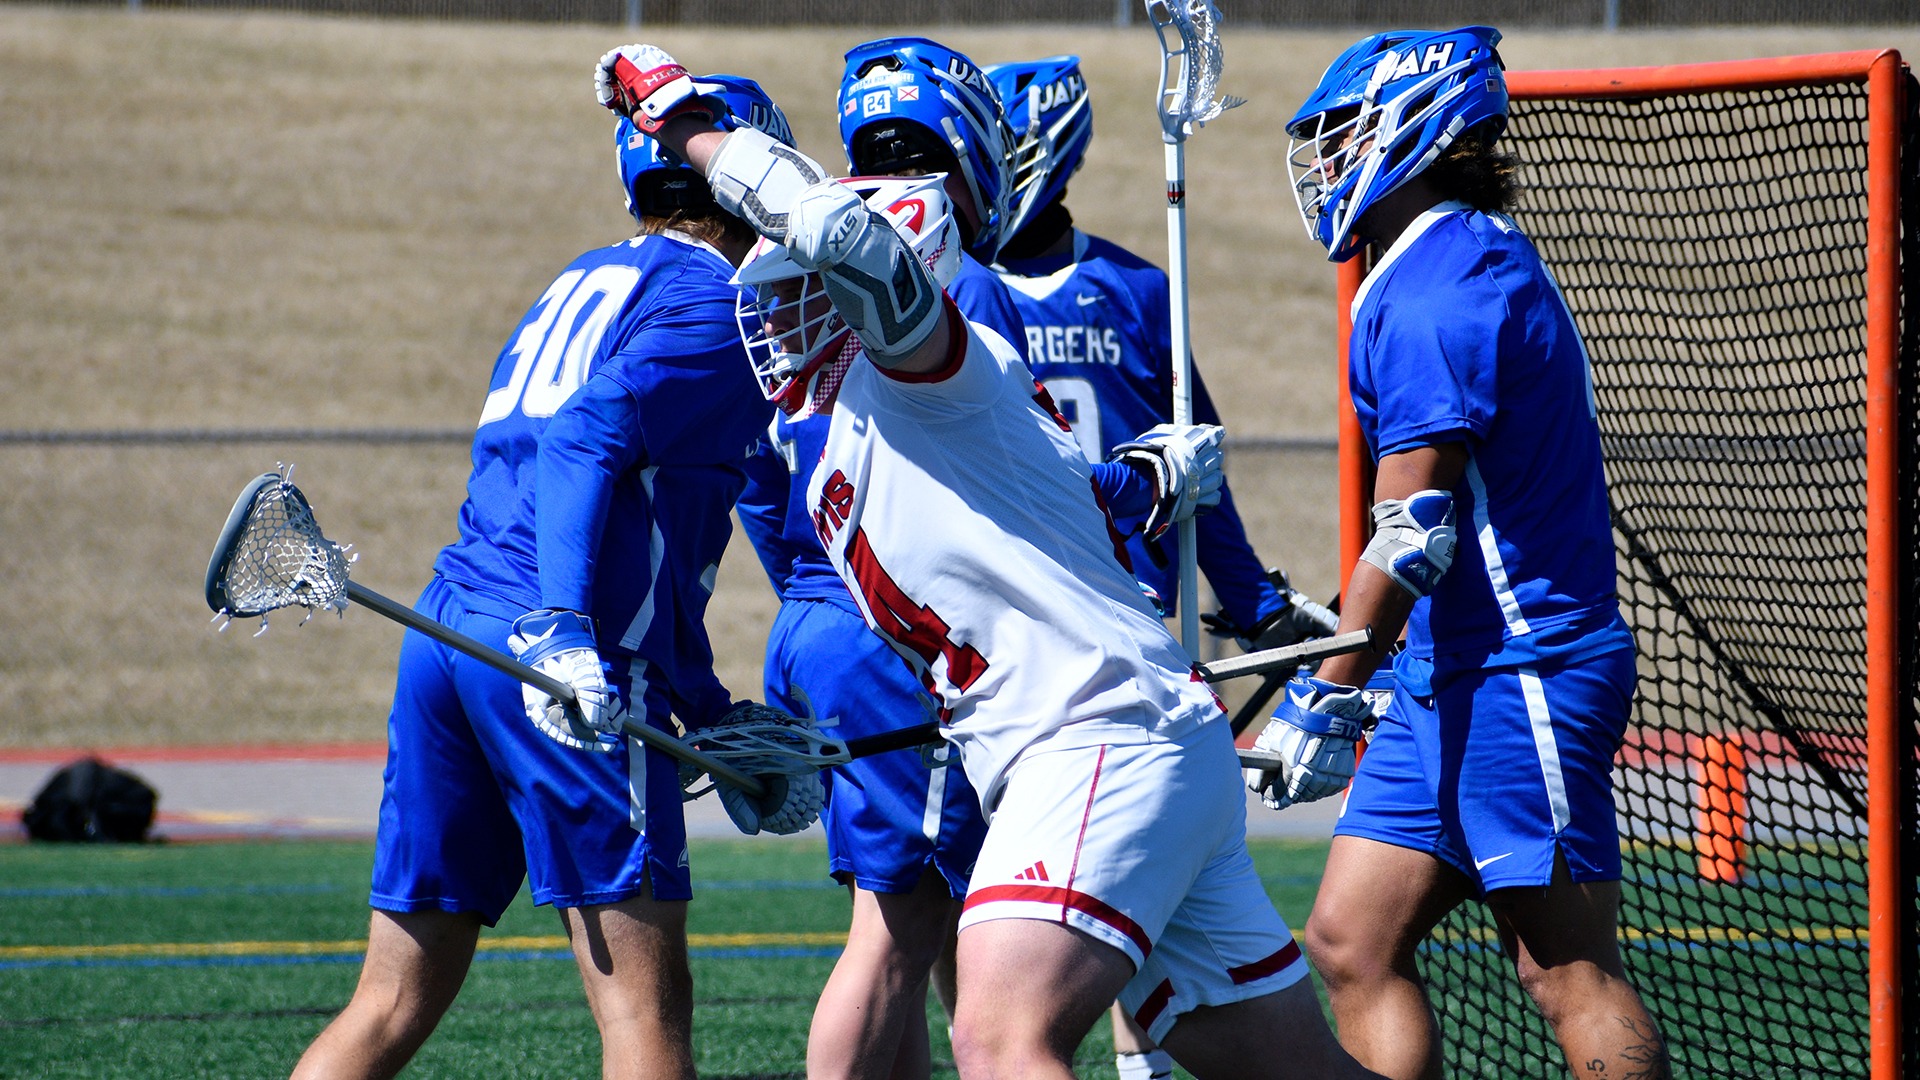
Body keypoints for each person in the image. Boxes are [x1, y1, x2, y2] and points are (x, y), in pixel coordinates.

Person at [595, 43, 1386, 1080]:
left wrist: (683, 120)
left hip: (1096, 740)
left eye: (806, 280)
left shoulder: (922, 368)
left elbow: (838, 235)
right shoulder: (863, 437)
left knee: (1000, 1037)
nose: (778, 294)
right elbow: (1065, 520)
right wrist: (1148, 478)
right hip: (1120, 740)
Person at [290, 77, 824, 1080]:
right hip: (557, 657)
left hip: (451, 638)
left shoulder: (577, 281)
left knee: (394, 994)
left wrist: (701, 707)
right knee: (643, 1014)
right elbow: (588, 438)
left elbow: (665, 524)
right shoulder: (718, 303)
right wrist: (564, 625)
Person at [1244, 26, 1670, 1080]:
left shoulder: (1441, 287)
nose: (1327, 163)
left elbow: (1414, 529)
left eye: (1342, 136)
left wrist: (1328, 693)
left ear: (1417, 131)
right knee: (1350, 943)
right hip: (1445, 674)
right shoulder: (1429, 265)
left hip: (1523, 669)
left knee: (1562, 969)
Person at [985, 54, 1339, 1080]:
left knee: (1132, 885)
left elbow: (1206, 464)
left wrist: (1257, 600)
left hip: (1131, 630)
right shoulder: (949, 293)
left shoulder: (1135, 291)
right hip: (1009, 633)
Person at [733, 36, 1027, 1080]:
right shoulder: (954, 277)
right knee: (899, 933)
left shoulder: (801, 275)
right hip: (894, 640)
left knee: (908, 920)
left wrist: (818, 604)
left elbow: (760, 481)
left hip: (820, 620)